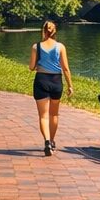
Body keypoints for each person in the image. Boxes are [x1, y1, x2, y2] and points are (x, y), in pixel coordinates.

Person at [28, 21, 74, 156]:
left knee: (43, 115)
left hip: (41, 80)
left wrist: (38, 65)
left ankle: (47, 141)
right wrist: (70, 85)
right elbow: (65, 68)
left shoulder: (36, 47)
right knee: (54, 114)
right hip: (56, 81)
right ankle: (52, 141)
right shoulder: (60, 47)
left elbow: (31, 67)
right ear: (55, 31)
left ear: (43, 31)